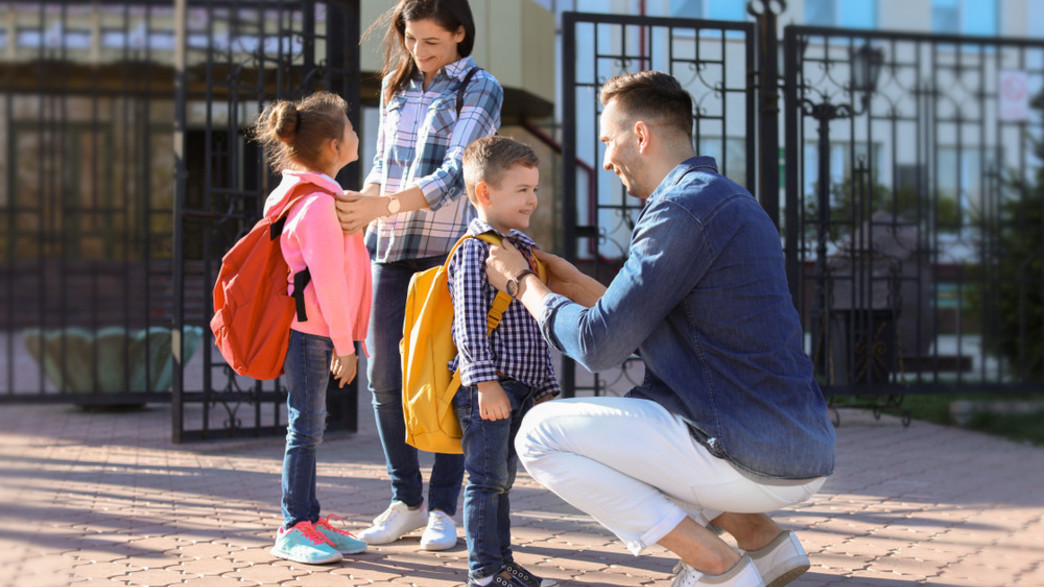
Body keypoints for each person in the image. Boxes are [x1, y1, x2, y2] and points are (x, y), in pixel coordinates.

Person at [484, 71, 836, 587]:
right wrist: (576, 284)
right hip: (801, 444)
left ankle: (716, 565)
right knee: (630, 427)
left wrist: (521, 284)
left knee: (540, 436)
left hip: (750, 450)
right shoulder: (731, 201)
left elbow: (598, 346)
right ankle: (764, 541)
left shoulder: (679, 210)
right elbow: (651, 323)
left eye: (608, 141)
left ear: (641, 135)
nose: (606, 160)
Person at [335, 0, 503, 551]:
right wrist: (361, 213)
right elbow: (383, 166)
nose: (418, 51)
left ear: (459, 34)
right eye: (411, 39)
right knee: (385, 375)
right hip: (389, 248)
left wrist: (381, 208)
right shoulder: (393, 85)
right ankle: (405, 500)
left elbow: (456, 173)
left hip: (447, 253)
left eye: (431, 41)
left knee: (448, 377)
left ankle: (443, 510)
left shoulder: (480, 87)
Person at [253, 91, 372, 565]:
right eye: (351, 128)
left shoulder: (306, 194)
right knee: (305, 427)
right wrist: (345, 345)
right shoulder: (318, 205)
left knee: (310, 426)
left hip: (313, 329)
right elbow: (328, 281)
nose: (357, 134)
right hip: (313, 331)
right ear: (332, 146)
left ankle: (309, 517)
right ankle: (293, 525)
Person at [450, 137, 560, 587]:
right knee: (485, 481)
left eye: (534, 188)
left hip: (519, 388)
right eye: (521, 189)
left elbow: (538, 323)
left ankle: (504, 564)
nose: (532, 199)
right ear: (484, 193)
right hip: (490, 388)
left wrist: (546, 385)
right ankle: (484, 572)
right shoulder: (474, 250)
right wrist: (484, 384)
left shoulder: (523, 248)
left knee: (503, 482)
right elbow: (469, 325)